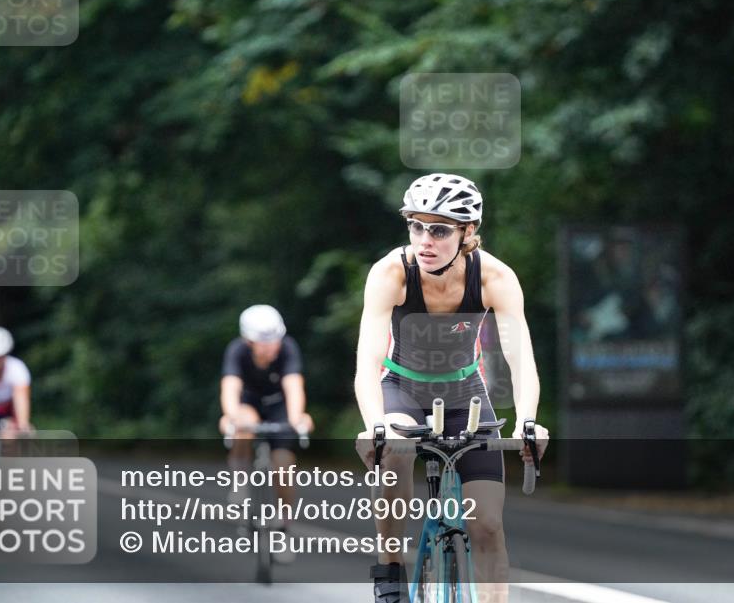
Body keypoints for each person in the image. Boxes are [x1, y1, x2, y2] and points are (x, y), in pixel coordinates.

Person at [354, 173, 549, 603]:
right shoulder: (392, 273)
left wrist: (529, 420)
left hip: (464, 396)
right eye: (416, 226)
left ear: (468, 233)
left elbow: (521, 360)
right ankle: (389, 573)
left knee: (488, 526)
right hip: (402, 388)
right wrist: (374, 425)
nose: (425, 239)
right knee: (397, 448)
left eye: (439, 229)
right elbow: (367, 362)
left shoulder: (494, 277)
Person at [219, 304, 314, 562]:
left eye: (275, 340)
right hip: (249, 402)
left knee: (284, 465)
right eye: (264, 342)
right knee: (244, 421)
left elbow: (293, 385)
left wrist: (297, 419)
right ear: (249, 341)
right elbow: (230, 387)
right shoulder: (237, 351)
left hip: (278, 406)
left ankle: (283, 527)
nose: (272, 346)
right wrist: (229, 415)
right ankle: (239, 483)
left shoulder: (288, 348)